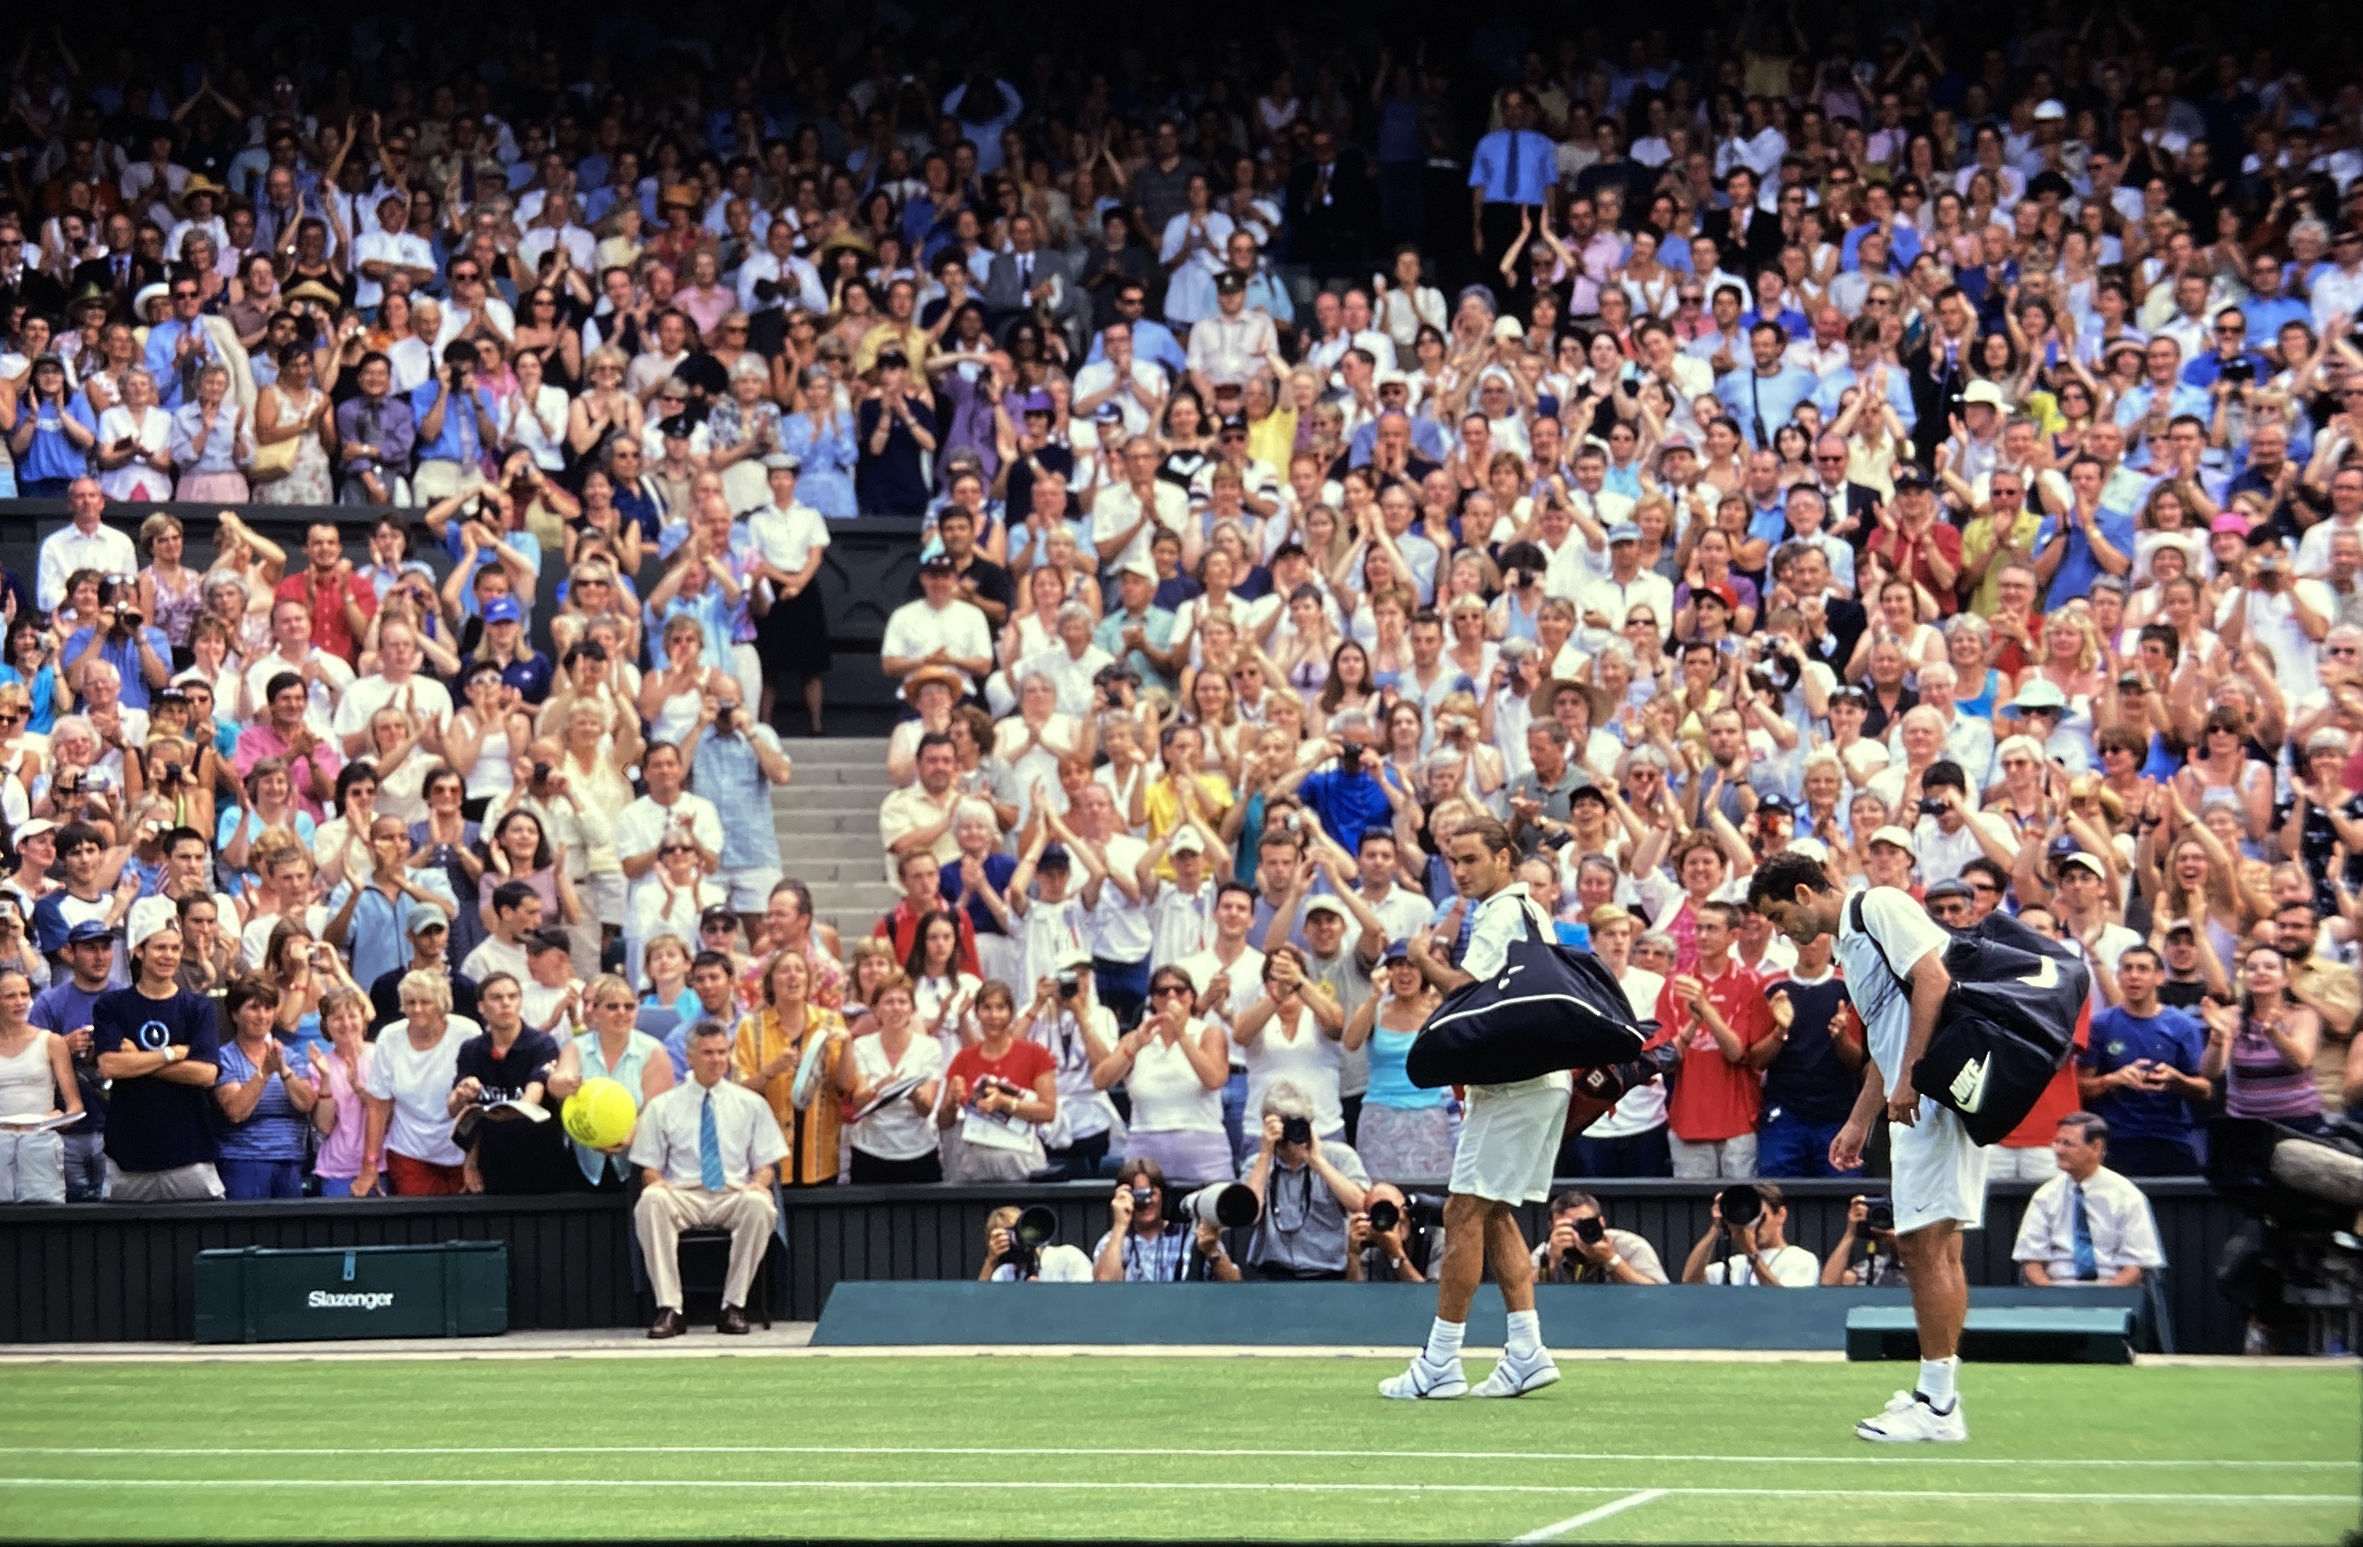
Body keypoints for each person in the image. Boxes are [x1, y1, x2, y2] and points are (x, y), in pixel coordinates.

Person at [1750, 850, 1981, 1442]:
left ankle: (1937, 1405)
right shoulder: (1852, 946)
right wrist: (1859, 1121)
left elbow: (1935, 980)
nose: (1782, 932)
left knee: (1925, 1246)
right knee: (1932, 1244)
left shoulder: (1879, 904)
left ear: (1805, 892)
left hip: (1934, 1098)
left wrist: (1911, 1077)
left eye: (1780, 916)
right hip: (1916, 1102)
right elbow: (1886, 1035)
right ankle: (1938, 1395)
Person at [1383, 816, 1564, 1400]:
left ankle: (1439, 1363)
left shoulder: (1503, 912)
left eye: (1471, 860)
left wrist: (1420, 958)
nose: (1460, 871)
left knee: (1463, 1213)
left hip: (1517, 1083)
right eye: (1453, 861)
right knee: (1494, 1212)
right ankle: (1527, 1351)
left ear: (1505, 859)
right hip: (1534, 1079)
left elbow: (1471, 992)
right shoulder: (1529, 911)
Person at [629, 1019, 787, 1337]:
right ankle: (670, 1309)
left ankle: (734, 1307)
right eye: (707, 1053)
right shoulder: (662, 1106)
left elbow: (766, 1164)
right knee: (651, 1201)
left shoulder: (752, 1104)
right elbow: (649, 1167)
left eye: (721, 1052)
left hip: (733, 1192)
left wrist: (759, 1185)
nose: (716, 1060)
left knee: (760, 1205)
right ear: (690, 1057)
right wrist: (655, 1184)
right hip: (683, 1193)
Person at [90, 912, 221, 1200]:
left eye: (175, 948)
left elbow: (206, 1074)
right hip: (128, 1157)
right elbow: (110, 1065)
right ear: (139, 951)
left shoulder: (197, 1007)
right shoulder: (111, 1005)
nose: (169, 955)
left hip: (190, 1154)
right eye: (160, 947)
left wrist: (139, 1061)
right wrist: (170, 1054)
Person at [2078, 946, 2209, 1175]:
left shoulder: (2182, 1025)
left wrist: (2175, 1079)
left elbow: (2205, 1090)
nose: (2134, 976)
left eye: (2143, 969)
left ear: (2159, 977)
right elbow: (2079, 1089)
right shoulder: (2100, 1025)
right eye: (2127, 969)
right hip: (2116, 1138)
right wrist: (2113, 1079)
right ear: (2118, 977)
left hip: (2171, 1135)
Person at [2010, 1113, 2167, 1287]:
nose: (2058, 1150)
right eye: (2057, 1142)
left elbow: (2136, 1266)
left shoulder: (2127, 1195)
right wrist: (2052, 1297)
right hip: (2055, 1292)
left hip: (2112, 1292)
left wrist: (2100, 1298)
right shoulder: (2045, 1195)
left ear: (2096, 1147)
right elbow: (2031, 1261)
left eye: (2068, 1144)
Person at [358, 970, 475, 1197]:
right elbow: (378, 1105)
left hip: (461, 1152)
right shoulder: (389, 1037)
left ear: (442, 1004)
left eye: (425, 1002)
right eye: (410, 1002)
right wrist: (369, 1164)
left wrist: (473, 1160)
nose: (417, 1008)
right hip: (408, 1152)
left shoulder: (468, 1033)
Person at [1239, 1081, 1369, 1282]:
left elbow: (1361, 1205)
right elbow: (1248, 1215)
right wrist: (1265, 1154)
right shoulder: (1256, 1165)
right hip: (1272, 1274)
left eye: (1297, 1123)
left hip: (1330, 1275)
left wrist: (1318, 1163)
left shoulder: (1339, 1157)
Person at [210, 976, 323, 1199]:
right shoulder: (224, 1058)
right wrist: (263, 1073)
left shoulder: (290, 1057)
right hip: (243, 1163)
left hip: (291, 1161)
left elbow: (307, 1103)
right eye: (253, 1008)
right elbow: (236, 1111)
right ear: (235, 1014)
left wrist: (283, 1070)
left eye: (268, 1008)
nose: (262, 1016)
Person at [0, 967, 82, 1203]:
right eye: (10, 996)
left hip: (40, 1142)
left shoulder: (51, 1041)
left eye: (24, 995)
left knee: (43, 1213)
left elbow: (74, 1105)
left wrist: (58, 1119)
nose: (19, 1002)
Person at [1090, 1158, 1238, 1282]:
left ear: (1163, 1195)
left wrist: (1213, 1252)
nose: (1146, 1202)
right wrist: (1120, 1225)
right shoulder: (1114, 1240)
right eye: (1139, 1195)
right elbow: (1104, 1288)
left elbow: (1235, 1287)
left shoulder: (1193, 1237)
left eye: (1151, 1193)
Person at [1680, 1180, 1821, 1285]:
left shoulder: (1801, 1259)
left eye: (1761, 1218)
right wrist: (1716, 1227)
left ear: (1781, 1215)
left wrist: (1752, 1254)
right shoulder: (1735, 1264)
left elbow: (1786, 1302)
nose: (1755, 1226)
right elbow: (1690, 1281)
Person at [1531, 1190, 1669, 1285]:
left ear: (1601, 1223)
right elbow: (1521, 1294)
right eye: (1569, 1227)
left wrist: (1611, 1260)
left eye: (1584, 1225)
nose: (1577, 1234)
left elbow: (1659, 1295)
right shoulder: (1547, 1252)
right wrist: (1551, 1264)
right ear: (1552, 1227)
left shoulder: (1630, 1246)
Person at [979, 1203, 1094, 1282]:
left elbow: (1088, 1300)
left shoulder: (1067, 1257)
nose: (1017, 1238)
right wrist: (990, 1262)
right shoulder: (1005, 1273)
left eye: (1018, 1229)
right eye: (1006, 1234)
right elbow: (978, 1304)